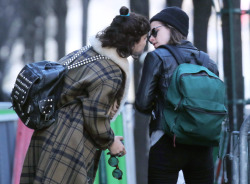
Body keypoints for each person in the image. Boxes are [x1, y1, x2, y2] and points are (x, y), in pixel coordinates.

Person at [20, 6, 150, 184]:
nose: (146, 43)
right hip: (70, 140)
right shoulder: (111, 71)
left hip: (49, 130)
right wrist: (110, 141)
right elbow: (94, 114)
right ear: (132, 40)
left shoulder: (87, 53)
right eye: (144, 38)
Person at [135, 7, 218, 184]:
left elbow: (142, 104)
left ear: (171, 28)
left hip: (167, 141)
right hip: (203, 144)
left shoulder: (156, 57)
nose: (151, 38)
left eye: (155, 31)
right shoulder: (208, 62)